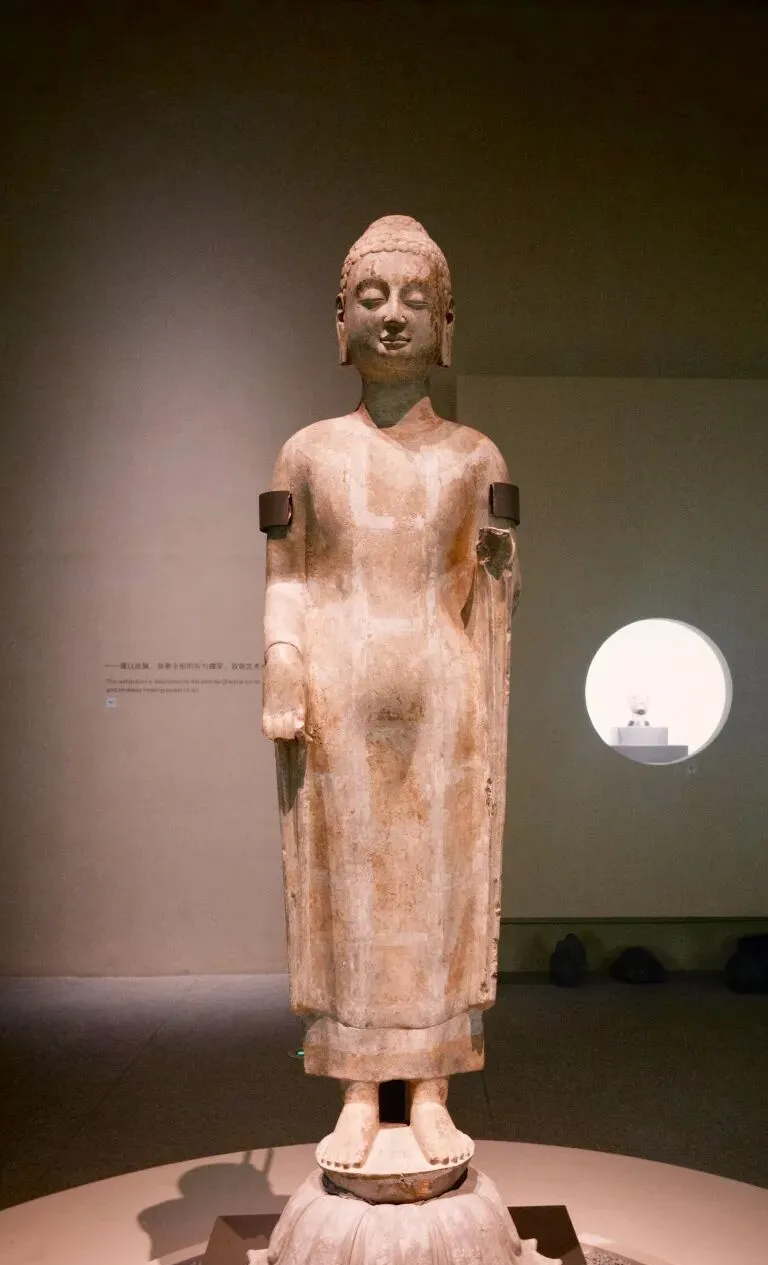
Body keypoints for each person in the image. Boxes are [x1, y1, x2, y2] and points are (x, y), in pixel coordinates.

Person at [261, 217, 518, 1171]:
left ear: (447, 322)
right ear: (341, 322)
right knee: (351, 888)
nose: (394, 317)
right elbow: (286, 577)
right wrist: (283, 655)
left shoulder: (476, 457)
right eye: (373, 299)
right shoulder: (306, 454)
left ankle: (435, 1085)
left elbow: (492, 595)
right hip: (337, 701)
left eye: (416, 299)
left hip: (445, 699)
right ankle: (360, 1089)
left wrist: (502, 569)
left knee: (438, 886)